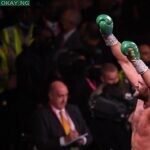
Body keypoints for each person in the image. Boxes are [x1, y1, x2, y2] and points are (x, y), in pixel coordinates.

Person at [96, 14, 150, 150]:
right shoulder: (143, 90)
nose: (137, 84)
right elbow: (124, 61)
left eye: (143, 83)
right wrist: (108, 36)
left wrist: (137, 61)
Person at [32, 80, 92, 150]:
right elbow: (42, 144)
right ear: (50, 96)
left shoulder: (74, 109)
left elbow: (88, 135)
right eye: (60, 96)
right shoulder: (41, 115)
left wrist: (83, 140)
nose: (64, 100)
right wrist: (64, 140)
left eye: (66, 95)